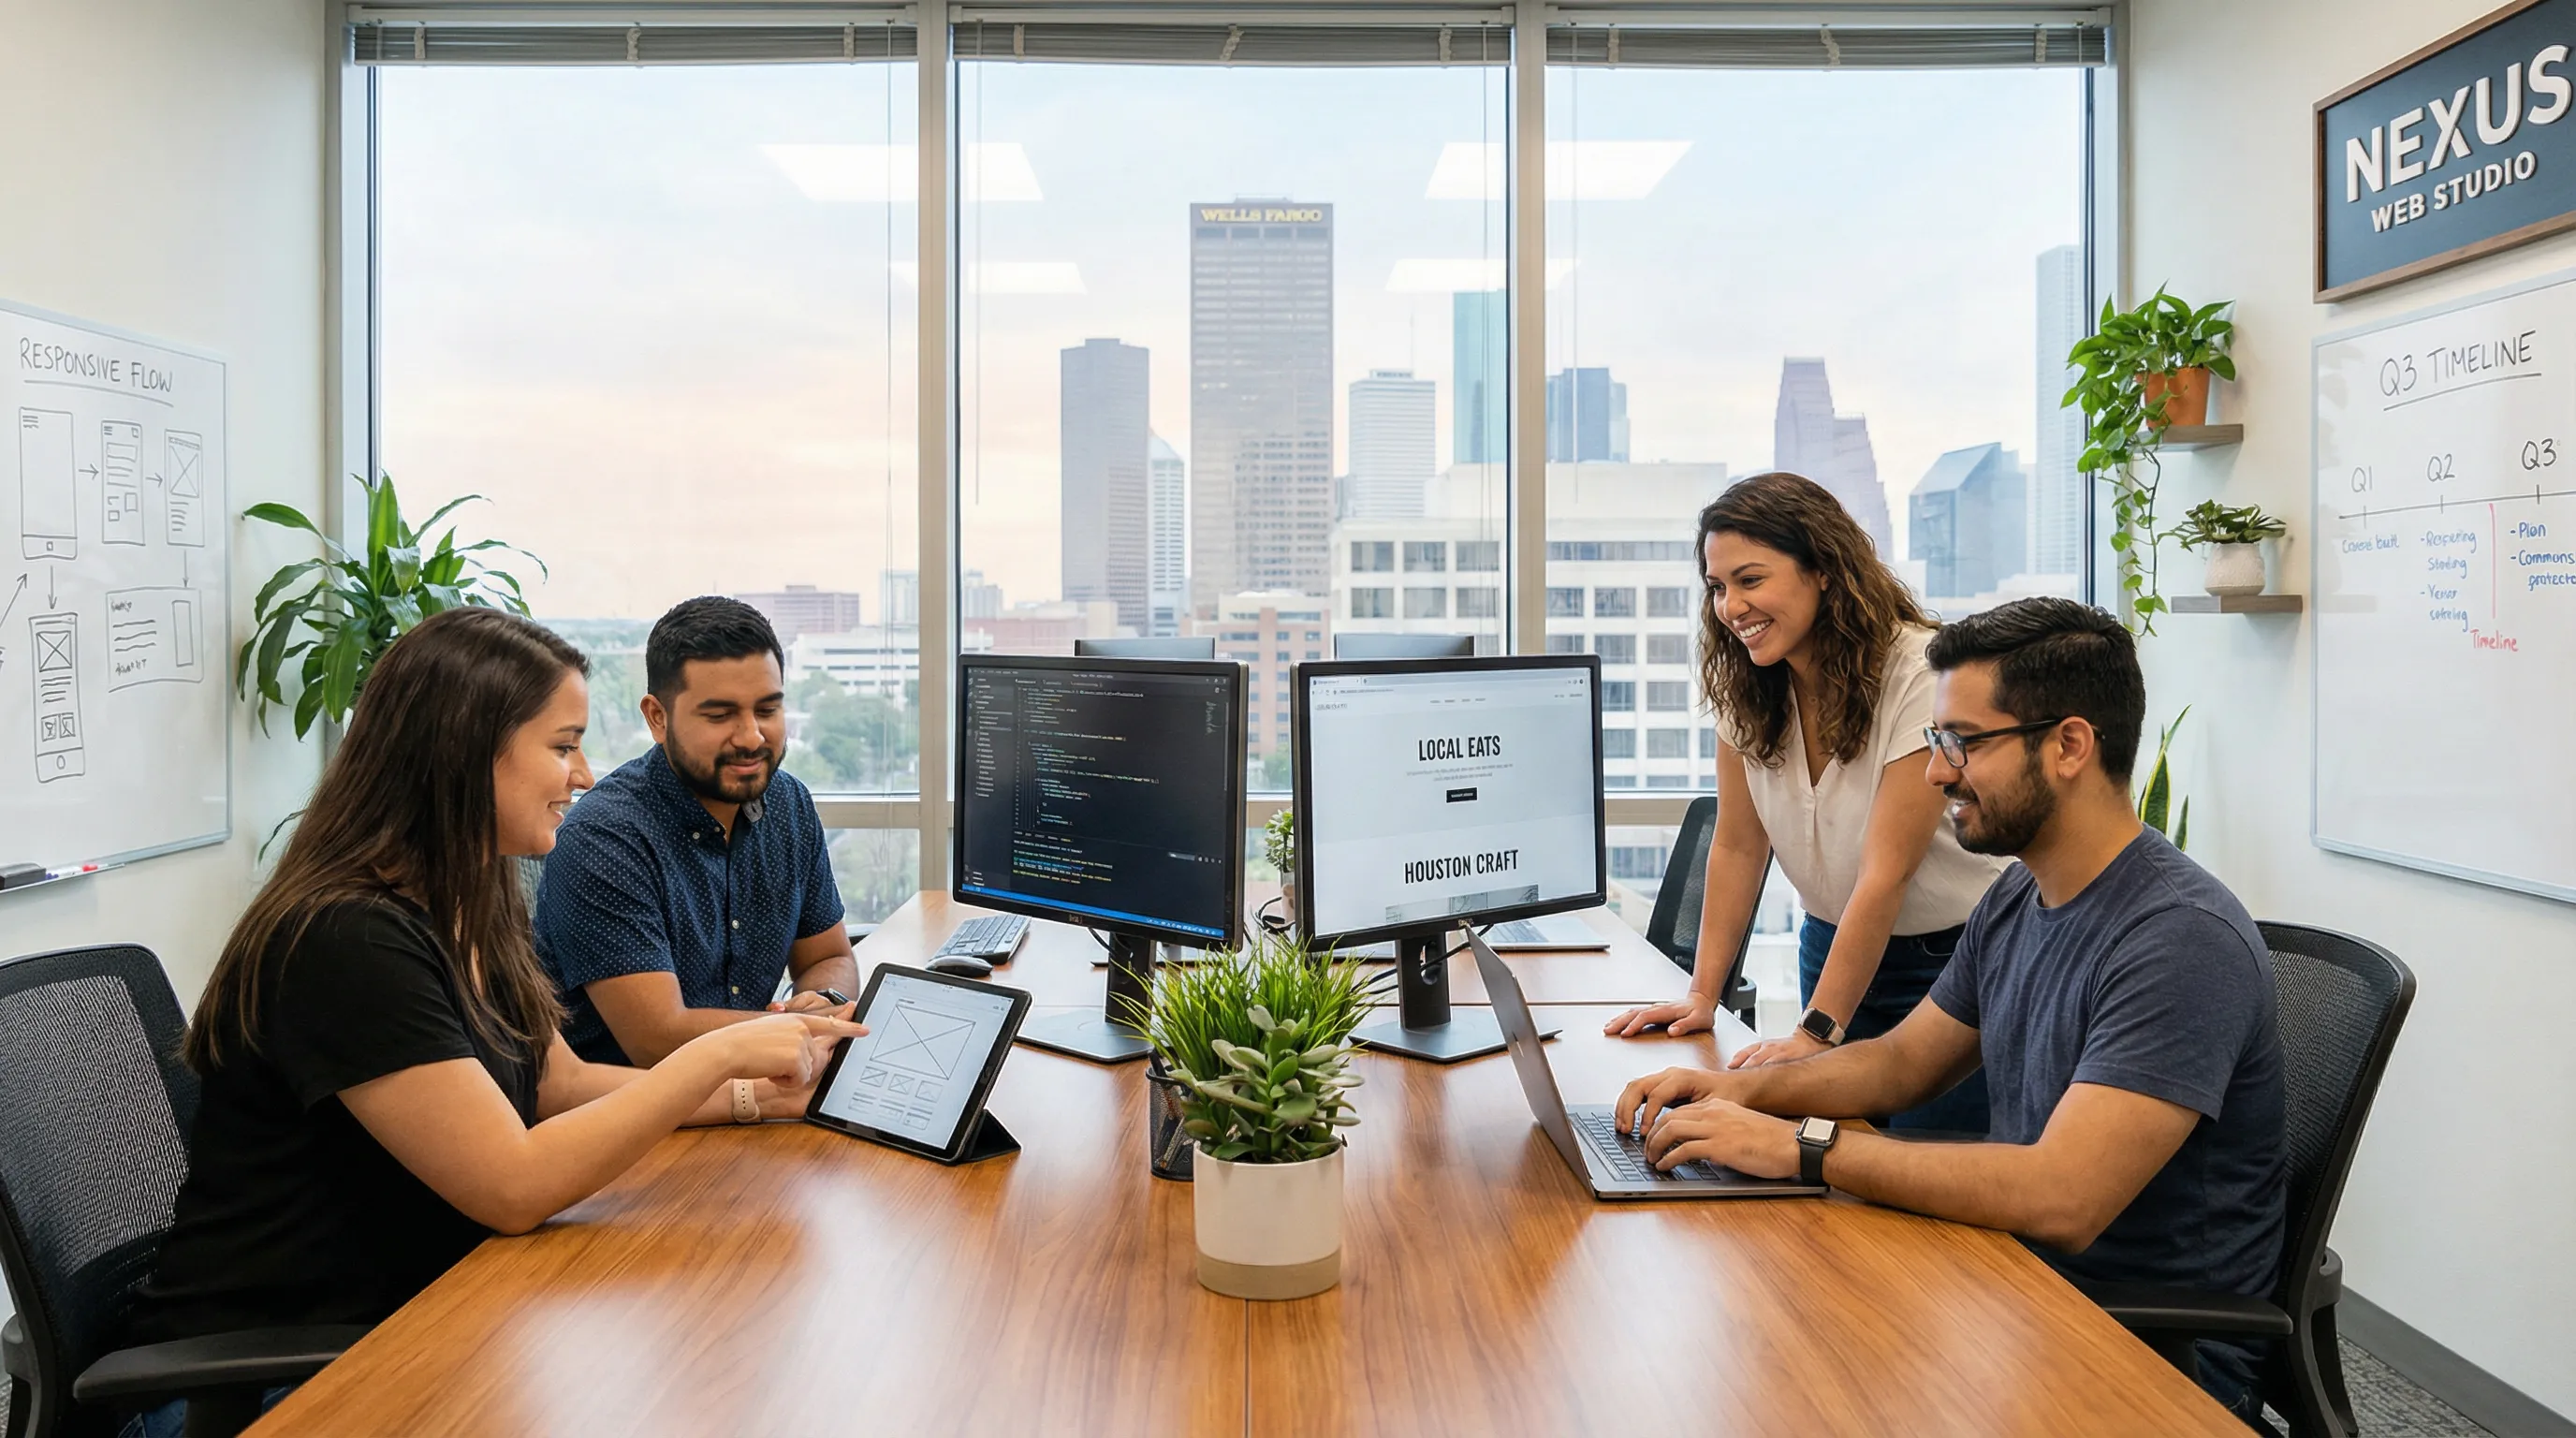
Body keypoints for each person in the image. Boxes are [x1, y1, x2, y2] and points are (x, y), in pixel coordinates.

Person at [121, 607, 864, 1438]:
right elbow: (513, 1187)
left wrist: (757, 1100)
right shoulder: (347, 938)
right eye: (561, 745)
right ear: (465, 756)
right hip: (276, 1381)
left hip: (427, 1312)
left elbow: (559, 1083)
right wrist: (715, 1056)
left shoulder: (470, 897)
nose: (583, 775)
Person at [1614, 597, 2286, 1423]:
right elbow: (1903, 1063)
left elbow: (2062, 1197)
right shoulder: (2018, 898)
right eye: (1938, 741)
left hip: (2138, 1354)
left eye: (1962, 743)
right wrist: (1737, 1094)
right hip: (2010, 1282)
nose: (1937, 771)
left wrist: (1800, 1147)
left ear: (2070, 745)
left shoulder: (2179, 940)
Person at [1605, 471, 2008, 1134]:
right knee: (1829, 1181)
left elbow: (1886, 875)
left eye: (1750, 580)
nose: (1730, 607)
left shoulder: (1918, 671)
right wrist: (1703, 996)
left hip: (1950, 964)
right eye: (1717, 587)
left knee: (1929, 1181)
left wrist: (1815, 1035)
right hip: (1830, 944)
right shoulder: (1748, 683)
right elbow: (1738, 845)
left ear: (1822, 569)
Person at [536, 596, 858, 1066]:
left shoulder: (789, 805)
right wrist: (802, 1029)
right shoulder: (604, 838)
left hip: (764, 1086)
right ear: (657, 718)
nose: (751, 737)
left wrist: (824, 1001)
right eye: (720, 715)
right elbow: (656, 1039)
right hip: (629, 1117)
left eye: (767, 710)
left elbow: (829, 958)